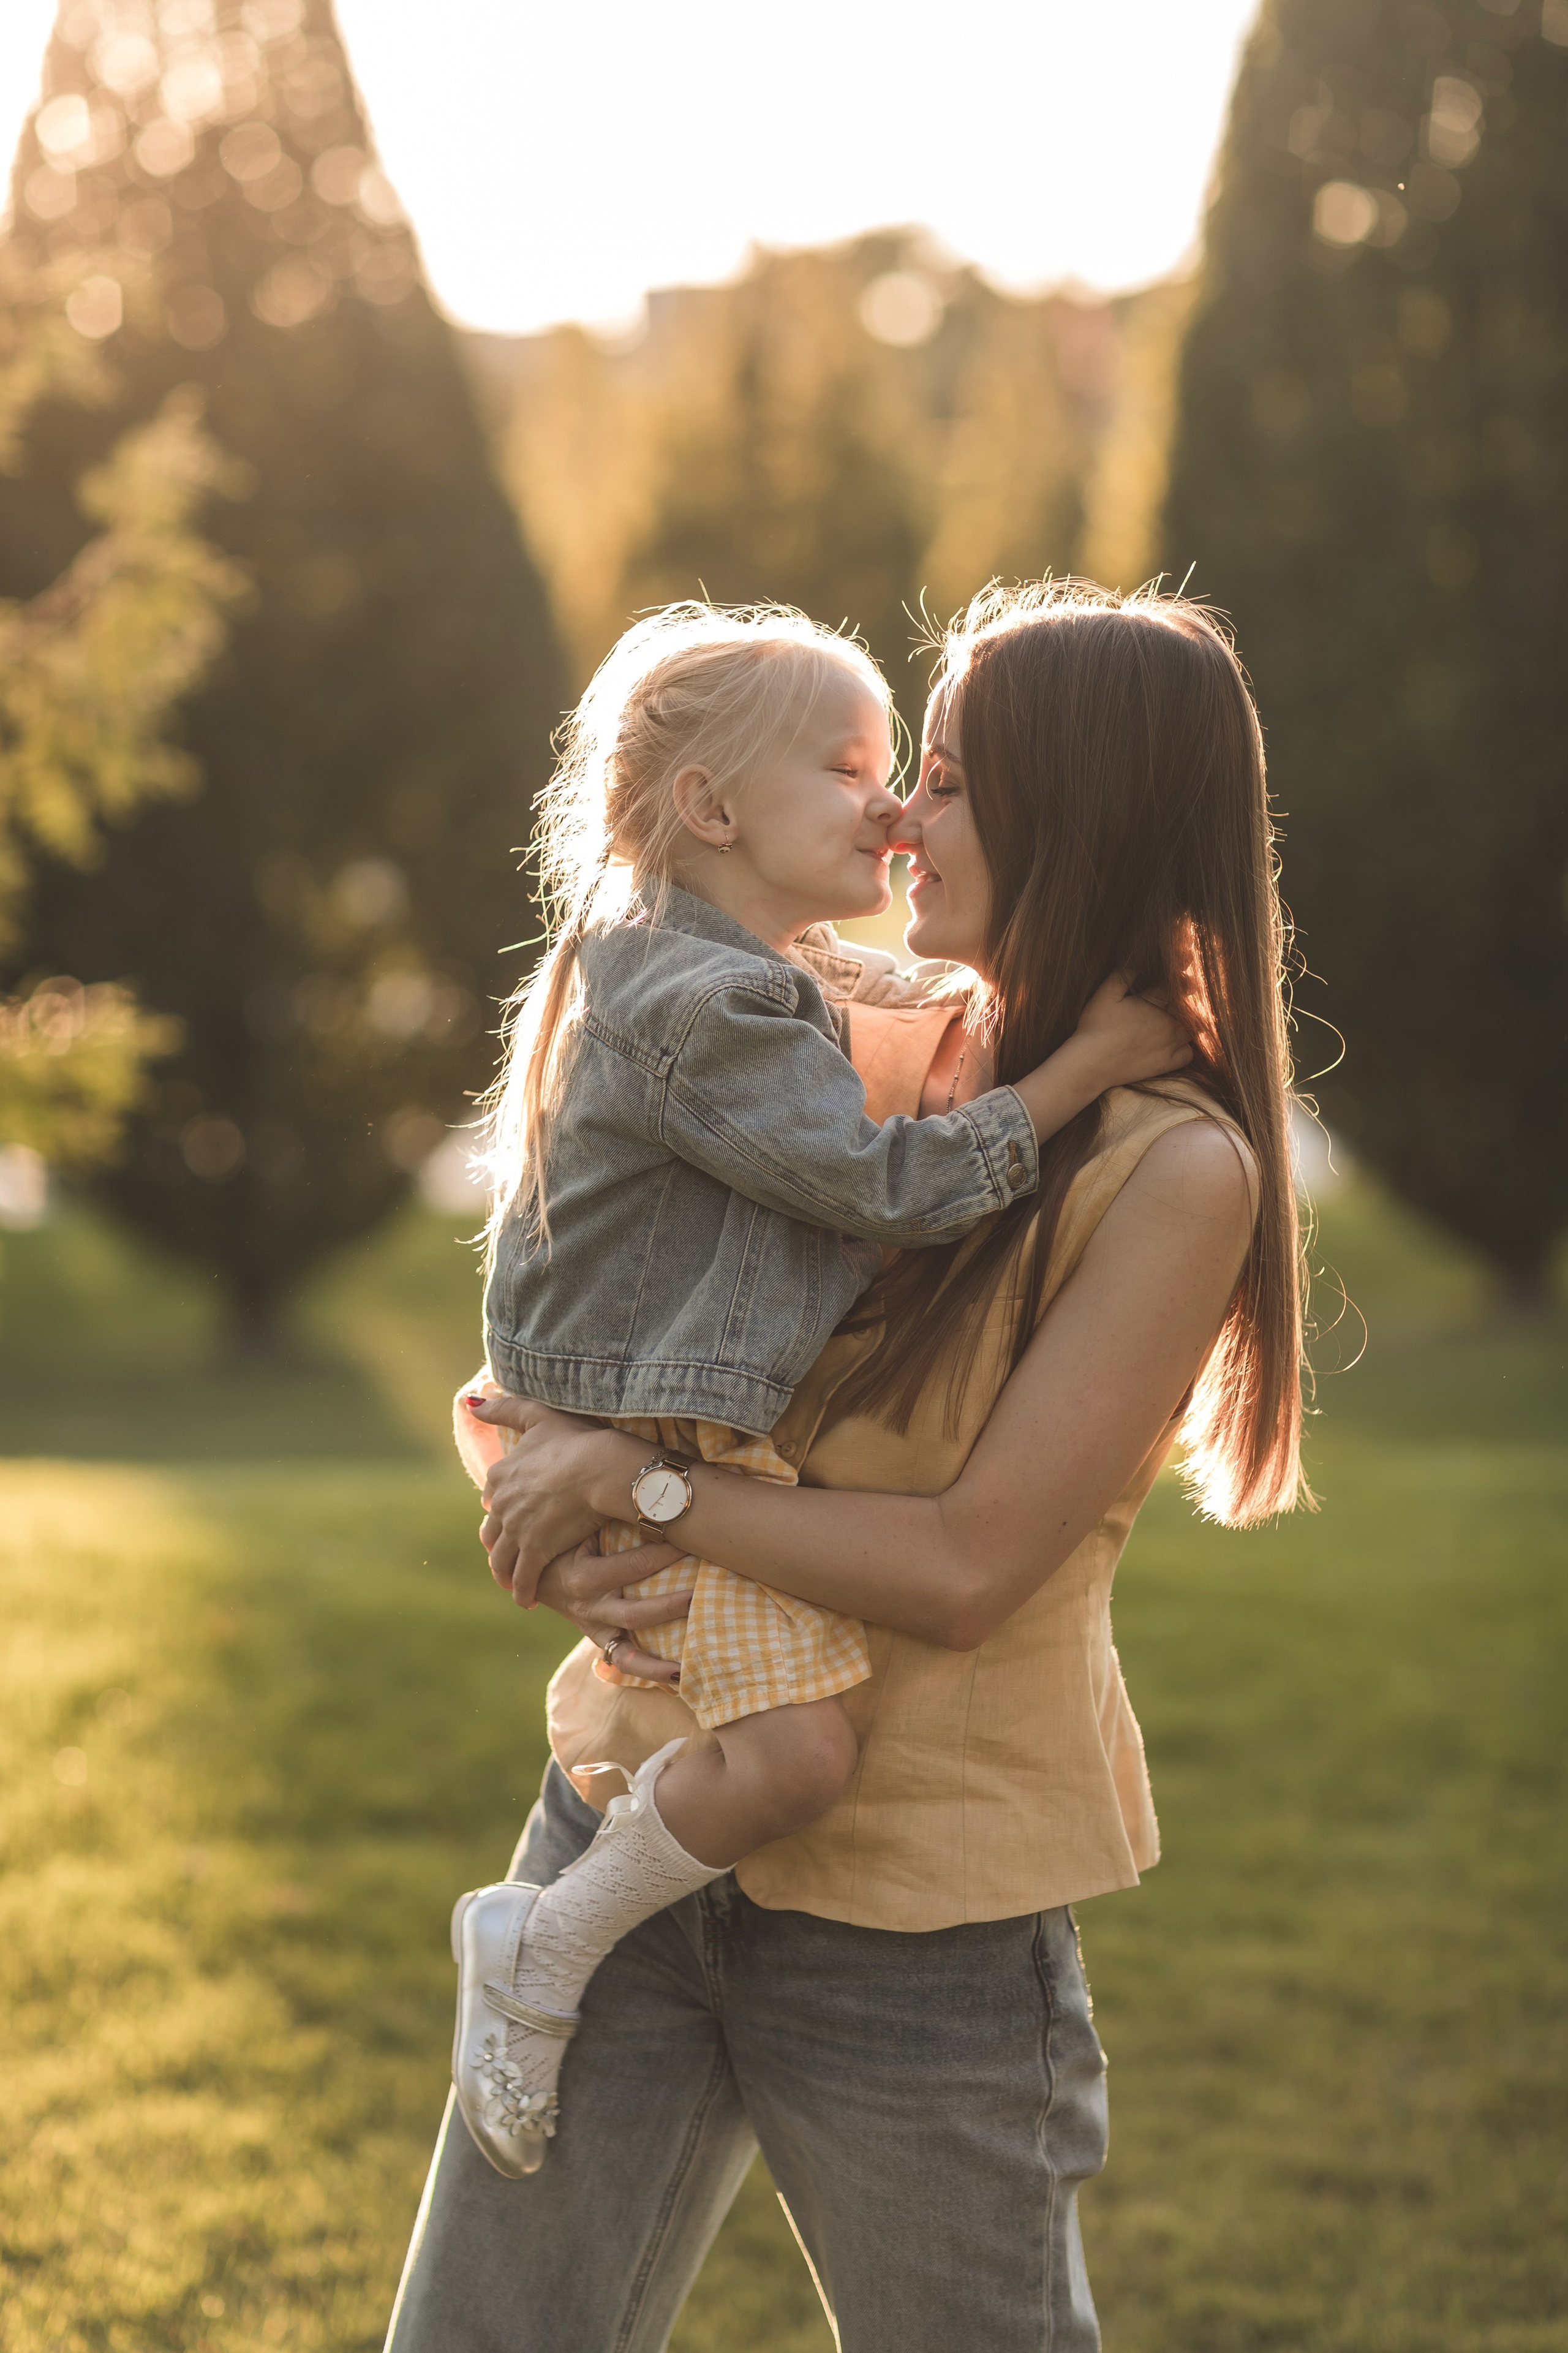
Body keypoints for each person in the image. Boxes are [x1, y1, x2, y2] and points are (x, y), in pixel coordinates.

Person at [386, 581, 1307, 2353]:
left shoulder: (1173, 1170)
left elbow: (965, 1568)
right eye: (895, 772)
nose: (901, 815)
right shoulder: (848, 1028)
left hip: (918, 1935)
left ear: (1074, 812)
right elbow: (591, 1318)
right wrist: (549, 1493)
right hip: (629, 1840)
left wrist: (639, 1489)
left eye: (943, 778)